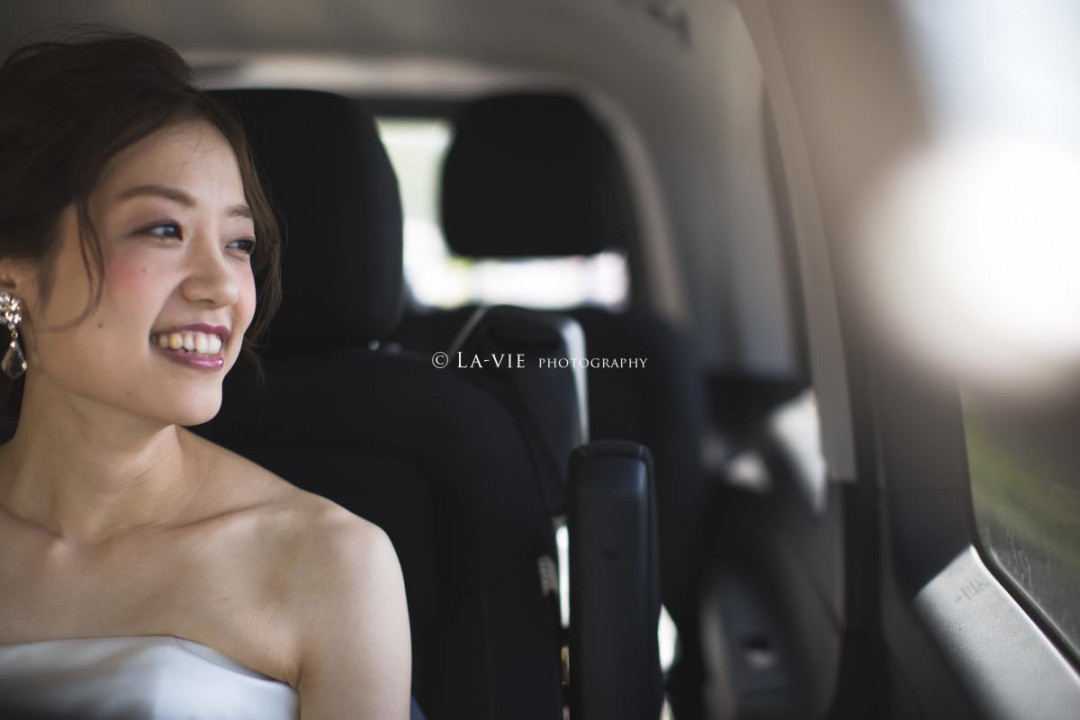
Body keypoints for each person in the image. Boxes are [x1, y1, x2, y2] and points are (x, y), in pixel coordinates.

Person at [0, 28, 412, 719]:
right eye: (165, 230)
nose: (222, 286)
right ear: (15, 273)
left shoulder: (331, 561)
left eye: (239, 243)